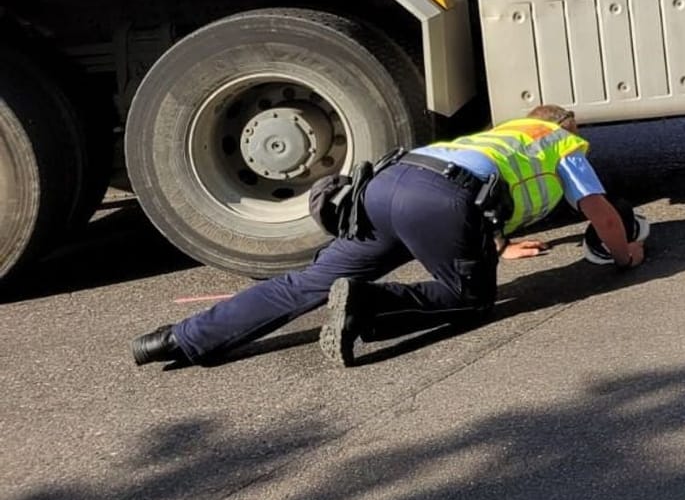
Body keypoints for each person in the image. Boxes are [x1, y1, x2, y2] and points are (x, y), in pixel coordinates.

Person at [131, 106, 641, 369]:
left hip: (387, 184)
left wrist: (502, 246)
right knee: (469, 299)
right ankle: (366, 307)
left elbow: (487, 191)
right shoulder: (558, 140)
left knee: (305, 283)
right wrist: (625, 256)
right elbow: (601, 214)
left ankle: (178, 338)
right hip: (437, 201)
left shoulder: (497, 136)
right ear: (563, 123)